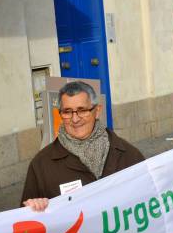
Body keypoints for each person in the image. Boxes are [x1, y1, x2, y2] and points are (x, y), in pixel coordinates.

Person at [21, 81, 145, 211]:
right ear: (61, 115)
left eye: (82, 110)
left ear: (97, 111)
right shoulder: (41, 165)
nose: (75, 119)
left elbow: (149, 199)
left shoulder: (128, 155)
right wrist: (34, 208)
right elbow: (25, 222)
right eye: (67, 112)